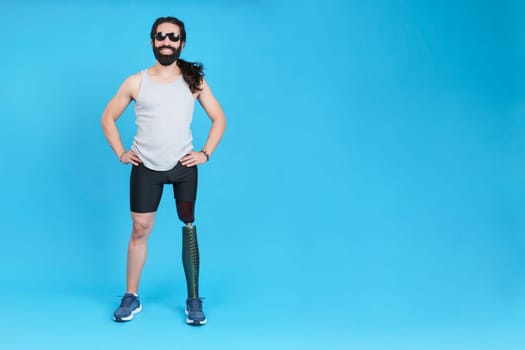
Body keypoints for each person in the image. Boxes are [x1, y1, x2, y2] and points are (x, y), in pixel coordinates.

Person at [101, 16, 226, 325]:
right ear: (152, 41)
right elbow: (107, 118)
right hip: (146, 167)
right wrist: (120, 152)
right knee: (140, 229)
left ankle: (193, 299)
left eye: (173, 37)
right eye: (161, 37)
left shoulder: (193, 80)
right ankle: (131, 296)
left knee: (188, 226)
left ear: (182, 42)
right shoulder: (136, 82)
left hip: (182, 168)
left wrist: (205, 154)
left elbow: (219, 118)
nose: (166, 42)